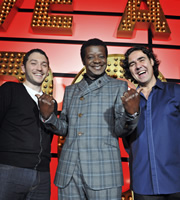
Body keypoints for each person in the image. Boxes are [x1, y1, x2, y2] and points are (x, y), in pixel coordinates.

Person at [38, 38, 140, 200]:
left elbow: (121, 130)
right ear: (83, 60)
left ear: (106, 58)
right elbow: (64, 128)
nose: (97, 60)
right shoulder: (71, 90)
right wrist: (48, 117)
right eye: (91, 57)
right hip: (69, 172)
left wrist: (131, 114)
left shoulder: (118, 86)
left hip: (103, 171)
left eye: (101, 56)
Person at [122, 46, 180, 200]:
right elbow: (124, 137)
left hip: (176, 180)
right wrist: (131, 112)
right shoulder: (126, 101)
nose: (138, 65)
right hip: (143, 184)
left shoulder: (175, 92)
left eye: (141, 60)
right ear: (130, 71)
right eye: (132, 64)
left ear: (152, 62)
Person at [0, 48, 57, 200]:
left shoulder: (51, 102)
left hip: (42, 176)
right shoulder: (9, 90)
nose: (39, 68)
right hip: (9, 171)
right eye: (34, 63)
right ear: (23, 68)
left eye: (44, 64)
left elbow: (48, 136)